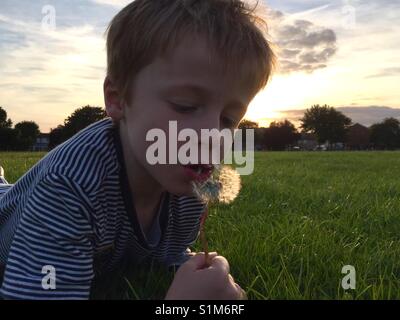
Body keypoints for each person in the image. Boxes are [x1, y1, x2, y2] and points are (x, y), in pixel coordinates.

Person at [0, 0, 275, 299]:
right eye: (185, 106)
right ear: (118, 99)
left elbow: (163, 258)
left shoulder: (189, 190)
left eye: (228, 120)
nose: (213, 136)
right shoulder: (68, 185)